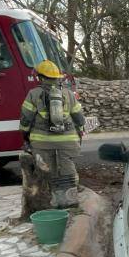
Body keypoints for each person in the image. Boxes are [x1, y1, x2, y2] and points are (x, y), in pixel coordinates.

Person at [19, 59, 85, 208]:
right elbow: (79, 118)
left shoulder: (33, 94)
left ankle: (50, 205)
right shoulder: (68, 94)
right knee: (67, 169)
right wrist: (79, 131)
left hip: (41, 143)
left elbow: (25, 119)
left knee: (46, 172)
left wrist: (25, 135)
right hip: (68, 142)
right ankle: (70, 203)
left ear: (40, 77)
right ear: (57, 77)